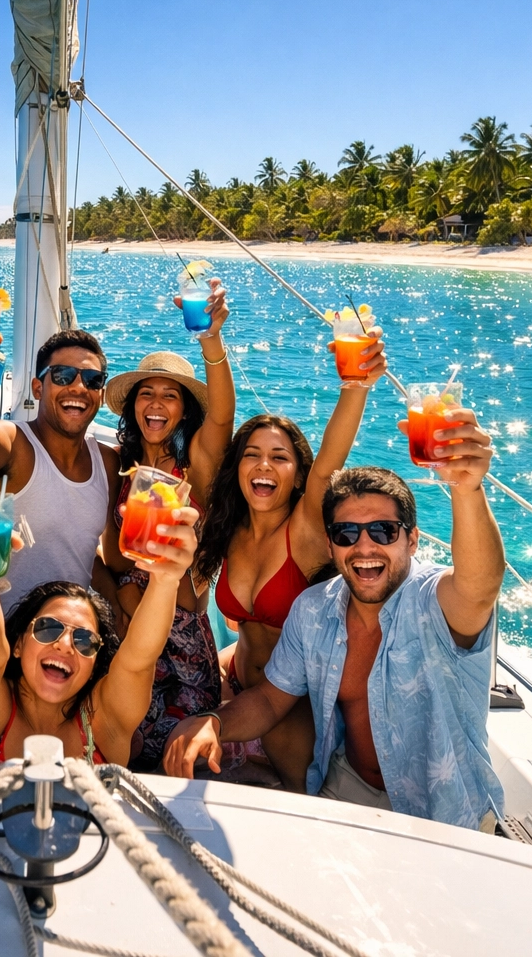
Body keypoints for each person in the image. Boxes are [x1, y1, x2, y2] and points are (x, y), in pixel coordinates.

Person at [163, 450, 508, 831]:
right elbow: (270, 699)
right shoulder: (314, 609)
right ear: (330, 546)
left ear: (412, 540)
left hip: (444, 808)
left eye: (383, 531)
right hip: (347, 787)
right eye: (347, 534)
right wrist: (214, 722)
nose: (364, 547)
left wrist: (467, 489)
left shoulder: (435, 601)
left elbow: (479, 586)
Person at [189, 328, 386, 791]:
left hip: (289, 702)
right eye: (252, 455)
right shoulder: (229, 527)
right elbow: (218, 421)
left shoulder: (305, 528)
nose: (263, 465)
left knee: (296, 804)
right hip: (235, 683)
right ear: (237, 468)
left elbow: (332, 454)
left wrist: (355, 386)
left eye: (279, 458)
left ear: (298, 476)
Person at [0, 502, 199, 766]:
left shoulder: (103, 721)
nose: (65, 645)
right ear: (18, 644)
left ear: (95, 663)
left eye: (84, 640)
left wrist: (166, 581)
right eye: (48, 628)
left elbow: (139, 660)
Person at [98, 282, 234, 769]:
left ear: (185, 408)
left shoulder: (195, 462)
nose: (155, 404)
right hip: (130, 622)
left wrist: (211, 339)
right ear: (132, 405)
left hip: (181, 638)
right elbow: (115, 555)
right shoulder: (122, 464)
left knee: (178, 756)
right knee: (125, 745)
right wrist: (120, 600)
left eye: (169, 396)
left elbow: (223, 416)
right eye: (146, 394)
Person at [0, 325, 118, 613]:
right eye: (63, 375)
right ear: (38, 388)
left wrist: (118, 605)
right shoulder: (13, 443)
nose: (79, 387)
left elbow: (89, 552)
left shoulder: (107, 463)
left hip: (66, 635)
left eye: (92, 380)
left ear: (101, 395)